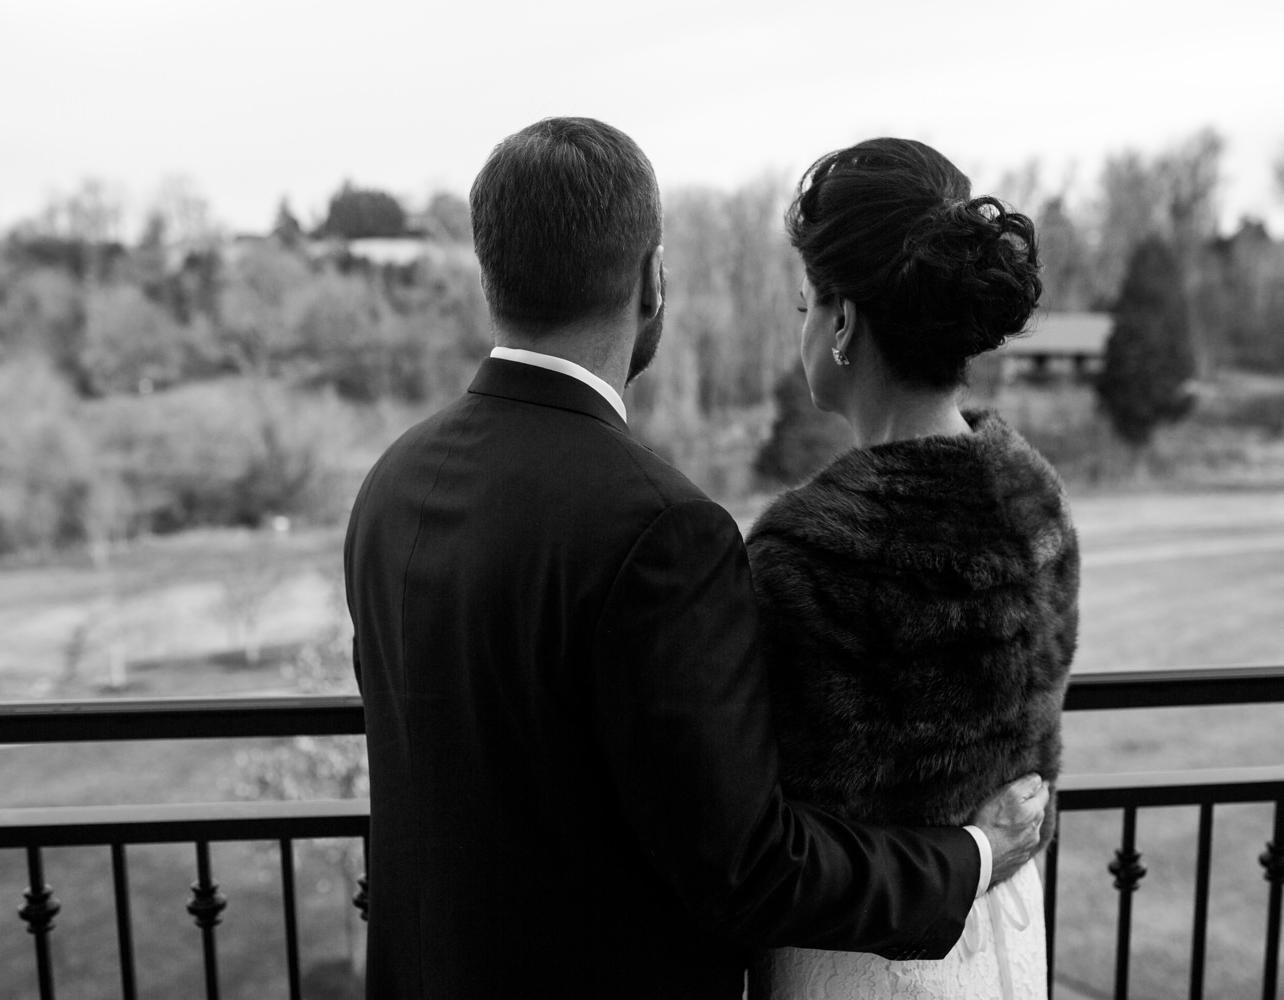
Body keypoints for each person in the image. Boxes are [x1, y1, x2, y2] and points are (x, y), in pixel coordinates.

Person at [343, 117, 1049, 1000]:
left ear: (494, 275)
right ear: (654, 279)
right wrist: (974, 853)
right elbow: (746, 866)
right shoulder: (662, 530)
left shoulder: (391, 483)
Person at [745, 139, 1079, 1000]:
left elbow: (763, 833)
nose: (804, 328)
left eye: (804, 305)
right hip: (1008, 934)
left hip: (861, 957)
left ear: (844, 320)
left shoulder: (813, 553)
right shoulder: (1035, 501)